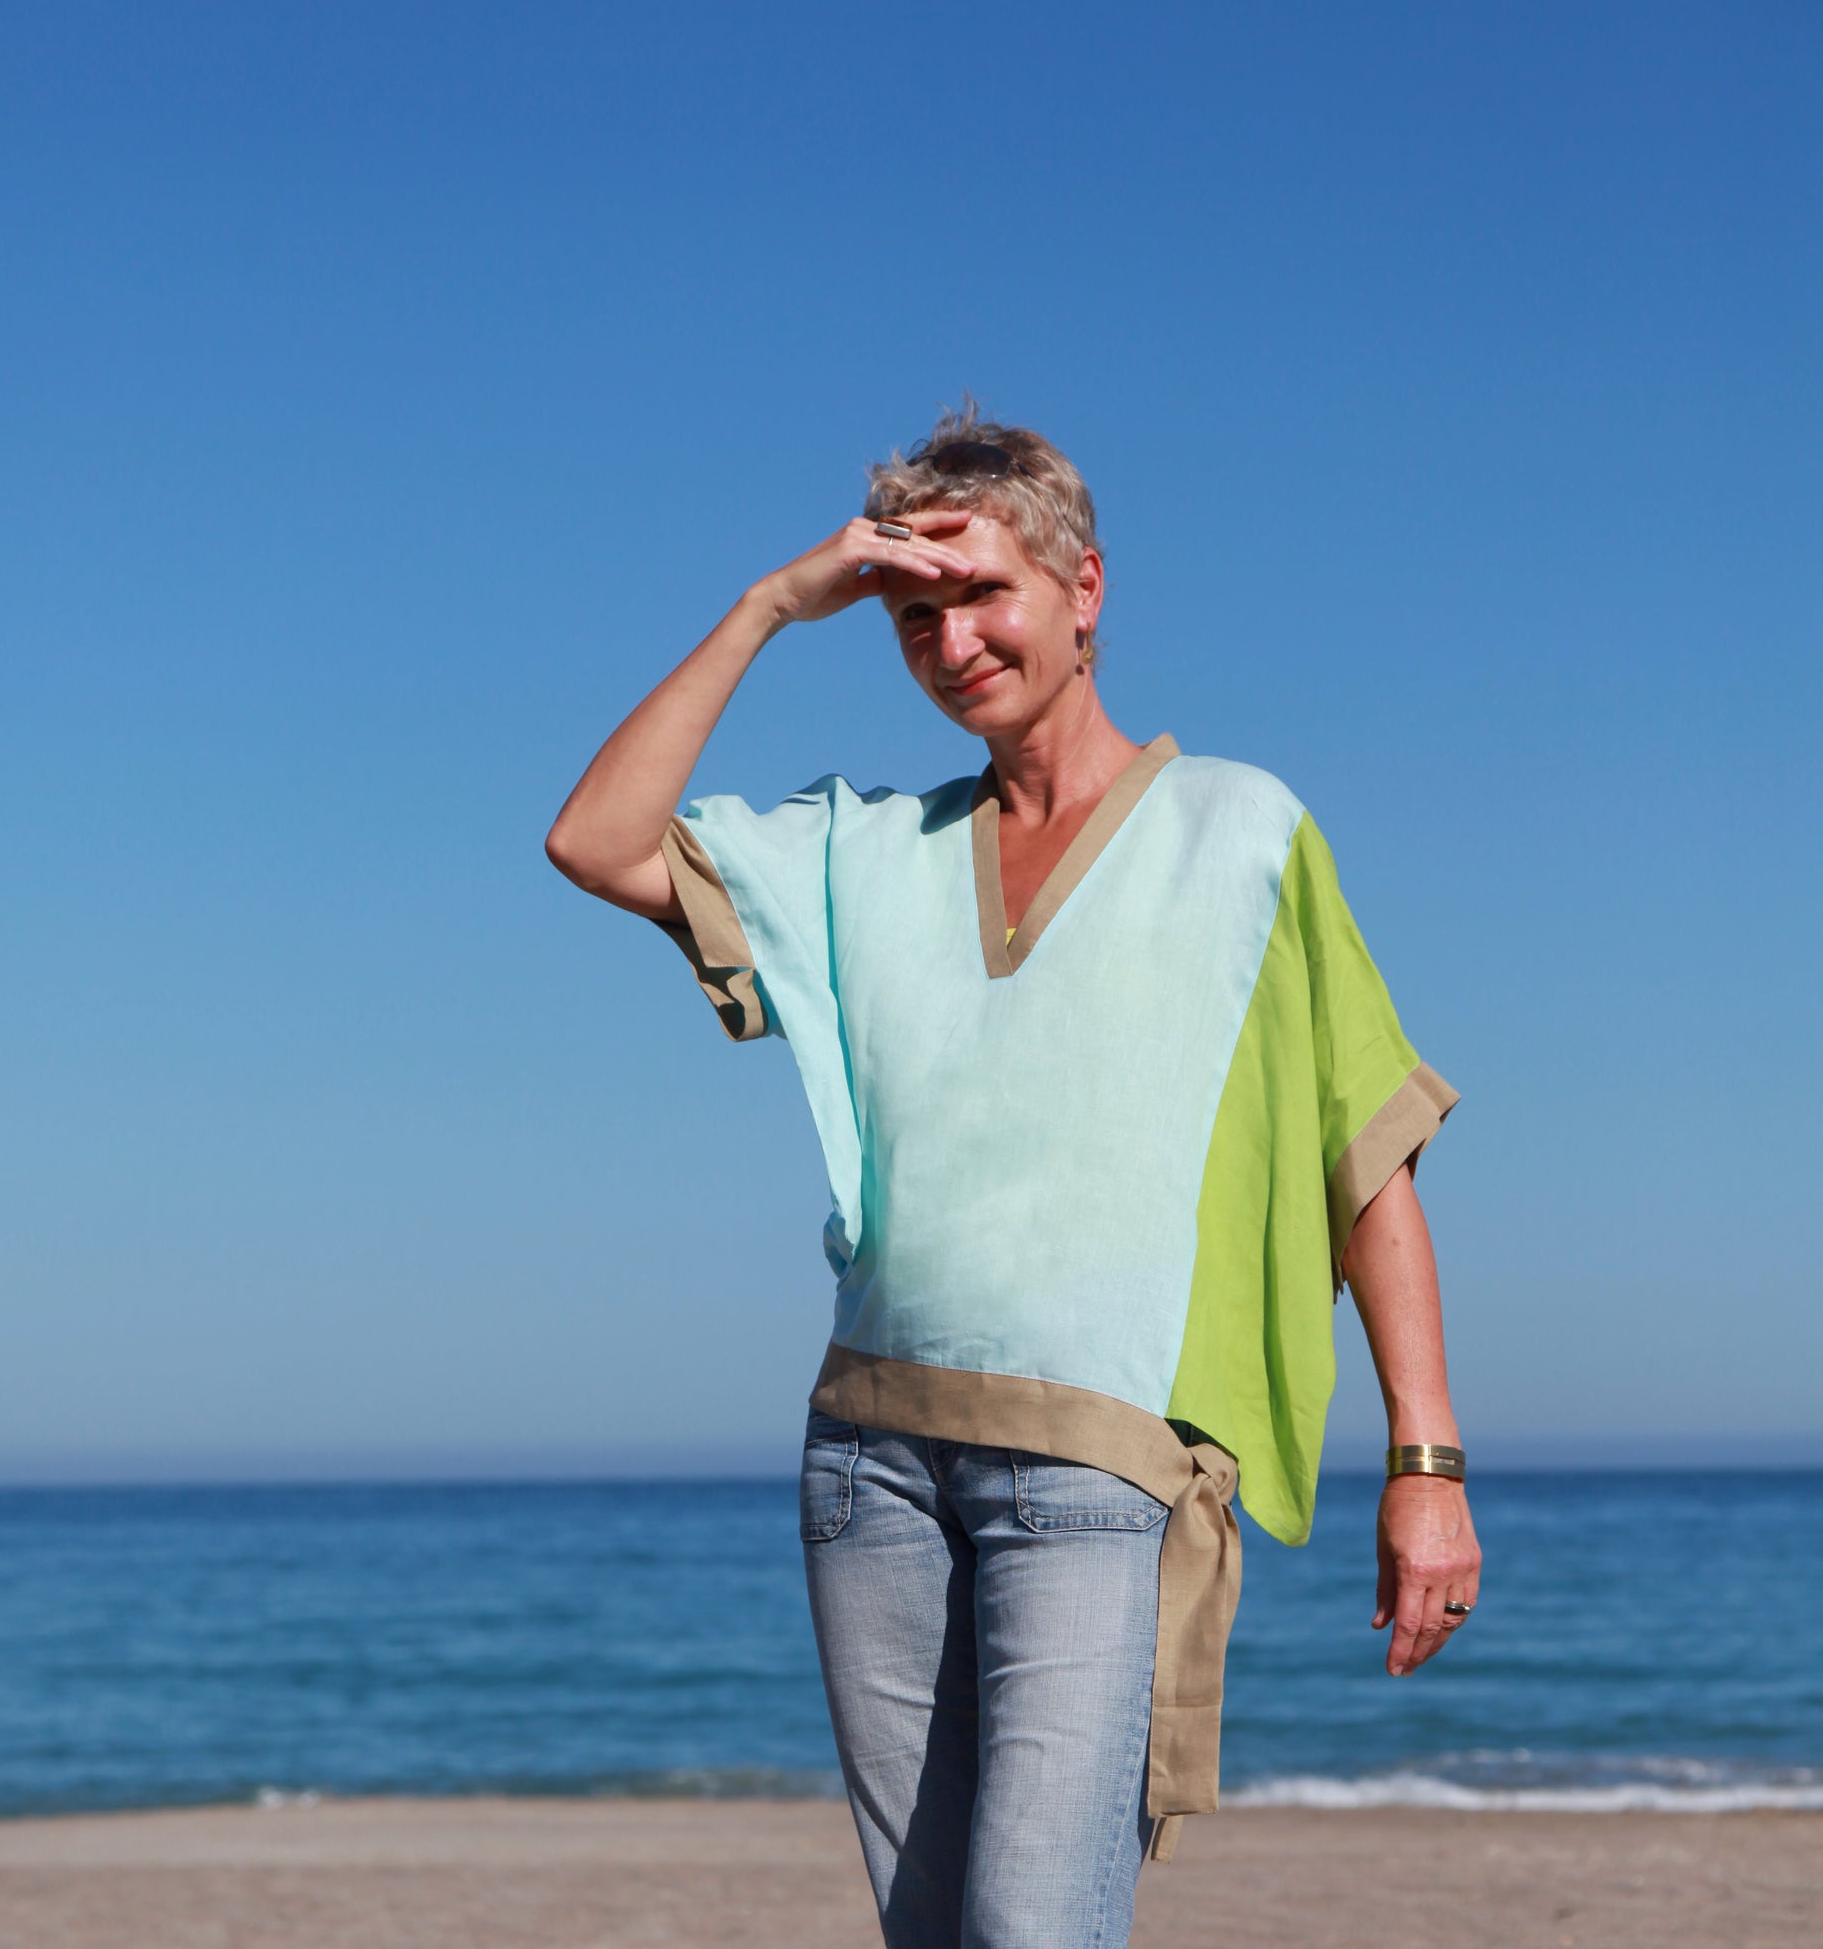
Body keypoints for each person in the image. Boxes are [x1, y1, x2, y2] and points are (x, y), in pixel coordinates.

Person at [545, 408, 1481, 1948]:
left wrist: (1425, 1473)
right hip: (870, 1463)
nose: (951, 641)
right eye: (914, 616)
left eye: (984, 594)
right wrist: (775, 605)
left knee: (1034, 1931)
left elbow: (1363, 1158)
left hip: (1098, 1470)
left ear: (1083, 589)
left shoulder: (1239, 833)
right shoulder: (858, 851)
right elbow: (597, 837)